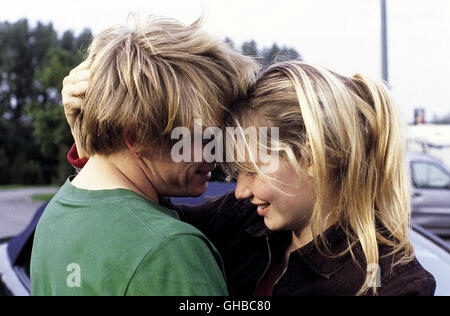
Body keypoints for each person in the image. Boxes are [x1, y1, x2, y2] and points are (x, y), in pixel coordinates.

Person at [63, 58, 435, 295]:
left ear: (313, 157)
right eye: (235, 171)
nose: (239, 190)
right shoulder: (243, 221)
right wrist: (94, 139)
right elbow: (145, 214)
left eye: (251, 171)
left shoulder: (395, 285)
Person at [30, 16, 257, 296]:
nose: (216, 153)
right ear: (137, 137)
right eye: (204, 137)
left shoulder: (57, 213)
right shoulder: (169, 249)